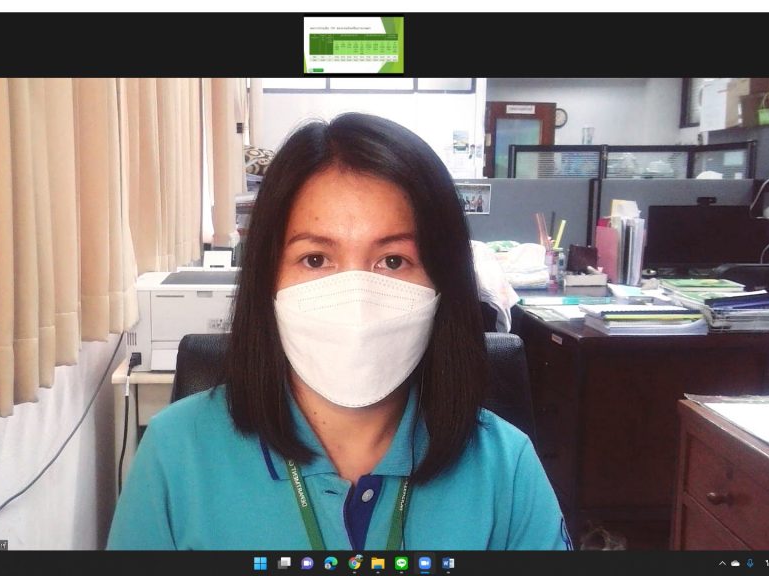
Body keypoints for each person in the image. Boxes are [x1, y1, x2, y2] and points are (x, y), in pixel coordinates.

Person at [107, 112, 570, 551]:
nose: (356, 296)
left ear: (442, 283)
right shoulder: (175, 454)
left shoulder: (506, 467)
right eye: (315, 259)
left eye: (393, 261)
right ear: (268, 279)